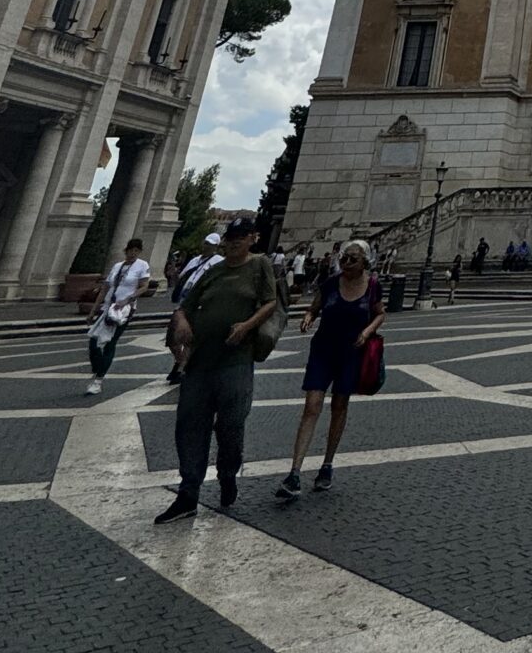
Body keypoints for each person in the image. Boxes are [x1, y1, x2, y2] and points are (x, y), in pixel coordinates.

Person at [158, 218, 283, 521]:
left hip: (235, 362)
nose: (234, 242)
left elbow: (270, 302)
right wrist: (184, 321)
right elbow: (185, 305)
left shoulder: (260, 266)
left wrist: (246, 326)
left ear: (252, 238)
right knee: (189, 426)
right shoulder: (212, 271)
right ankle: (188, 493)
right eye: (231, 237)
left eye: (240, 237)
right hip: (201, 361)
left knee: (231, 426)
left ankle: (228, 472)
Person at [277, 240, 385, 502]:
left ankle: (327, 465)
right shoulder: (330, 284)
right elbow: (314, 307)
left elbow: (380, 314)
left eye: (352, 259)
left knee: (339, 406)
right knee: (312, 405)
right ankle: (294, 472)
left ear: (364, 263)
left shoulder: (372, 287)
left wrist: (367, 331)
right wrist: (308, 317)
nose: (346, 263)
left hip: (351, 354)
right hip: (323, 350)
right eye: (344, 258)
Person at [85, 239, 154, 396]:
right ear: (126, 250)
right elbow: (105, 289)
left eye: (137, 250)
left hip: (124, 309)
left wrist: (128, 299)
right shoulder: (117, 266)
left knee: (110, 342)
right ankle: (98, 367)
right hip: (108, 307)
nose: (133, 253)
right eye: (131, 250)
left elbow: (144, 286)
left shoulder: (142, 266)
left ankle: (98, 380)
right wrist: (93, 310)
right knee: (93, 341)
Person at [163, 231, 223, 385]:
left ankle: (181, 369)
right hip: (183, 303)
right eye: (205, 243)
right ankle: (181, 362)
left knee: (190, 340)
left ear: (216, 246)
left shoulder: (219, 261)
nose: (206, 246)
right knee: (172, 340)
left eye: (209, 244)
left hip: (200, 305)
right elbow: (182, 277)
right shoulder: (195, 260)